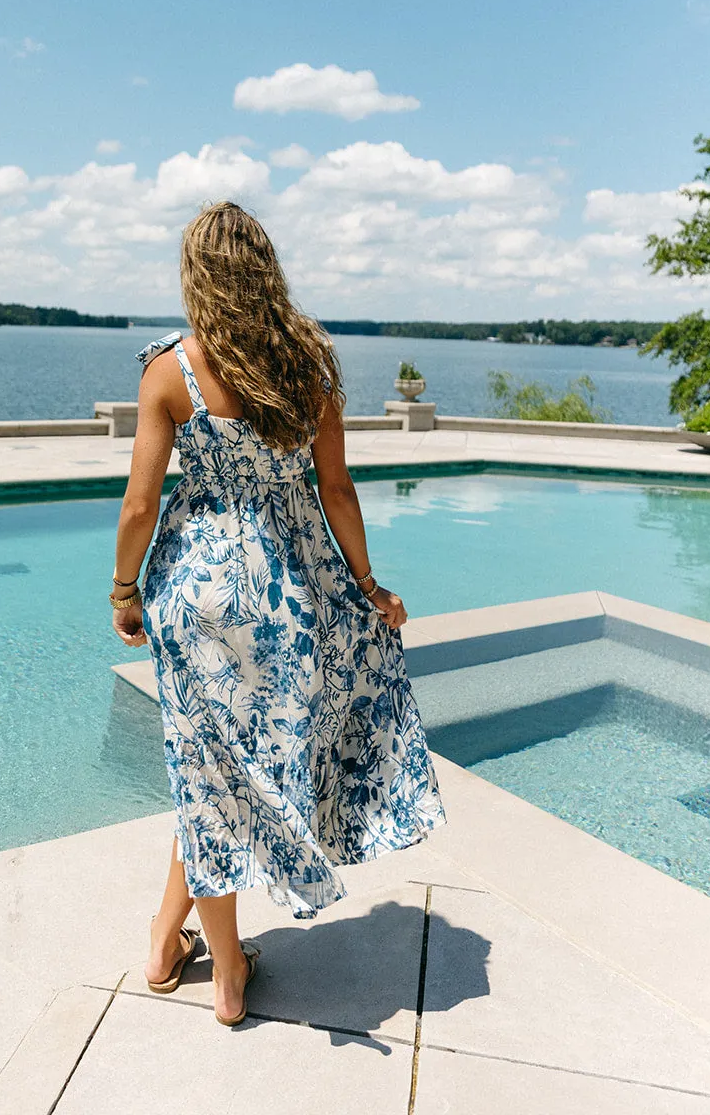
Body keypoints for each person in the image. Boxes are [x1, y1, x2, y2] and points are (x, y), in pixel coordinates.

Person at [110, 201, 444, 1027]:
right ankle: (167, 942)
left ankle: (223, 972)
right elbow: (335, 490)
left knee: (207, 775)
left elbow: (141, 503)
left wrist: (123, 590)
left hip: (195, 597)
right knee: (229, 777)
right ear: (266, 267)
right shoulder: (308, 362)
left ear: (196, 274)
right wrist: (367, 586)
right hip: (287, 599)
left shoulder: (171, 369)